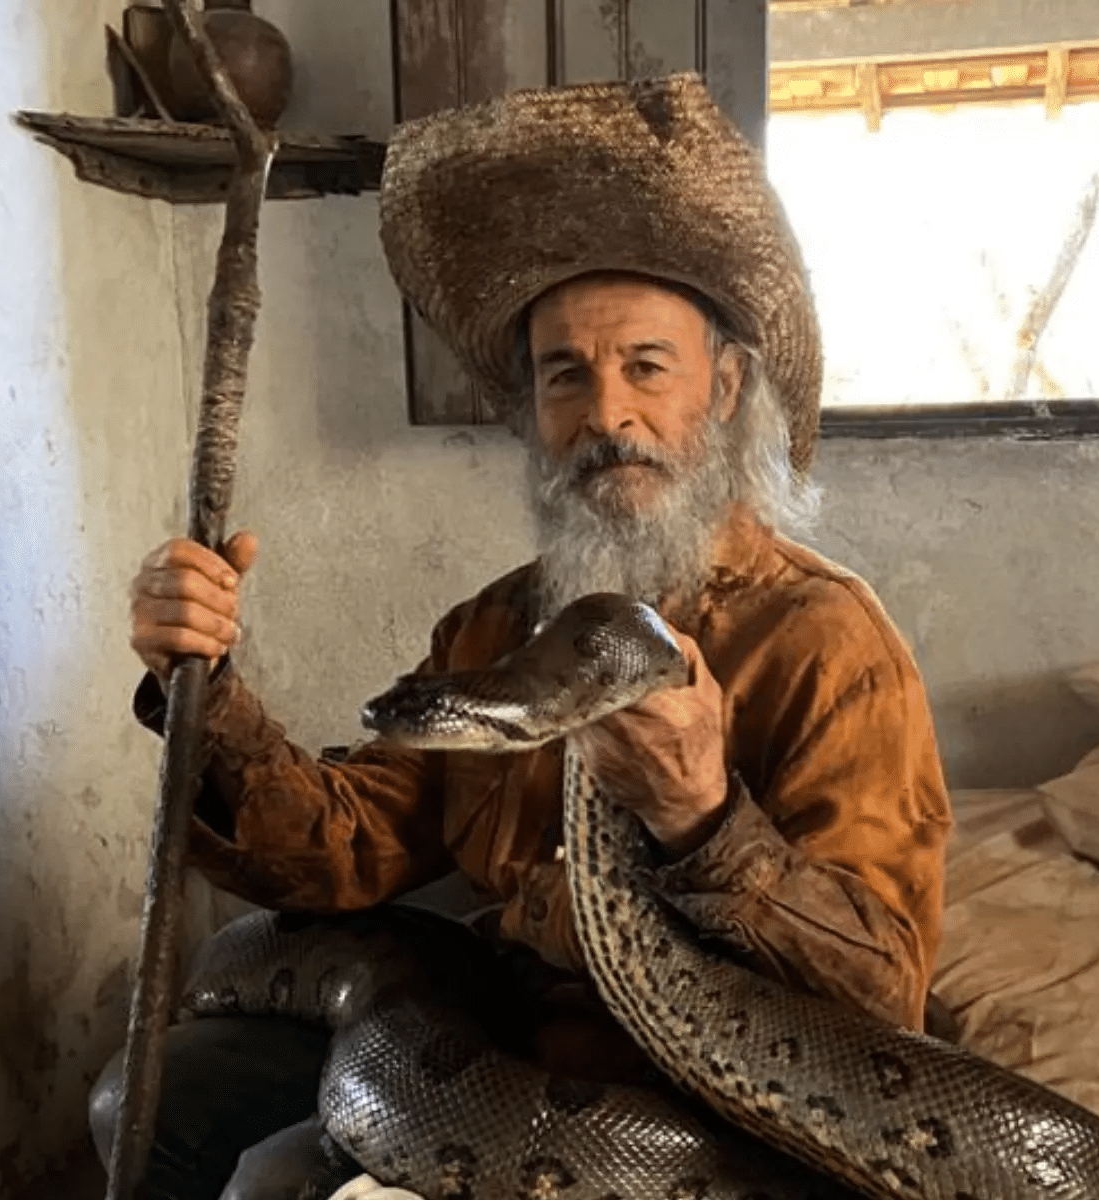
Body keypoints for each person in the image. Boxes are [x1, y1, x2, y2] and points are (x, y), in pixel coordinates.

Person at [99, 73, 953, 1200]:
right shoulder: (499, 625)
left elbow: (882, 1000)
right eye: (566, 376)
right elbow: (348, 847)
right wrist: (207, 684)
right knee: (143, 1103)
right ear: (532, 414)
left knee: (277, 1186)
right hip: (489, 1031)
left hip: (694, 1096)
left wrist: (705, 819)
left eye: (647, 366)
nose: (607, 414)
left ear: (729, 387)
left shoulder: (828, 643)